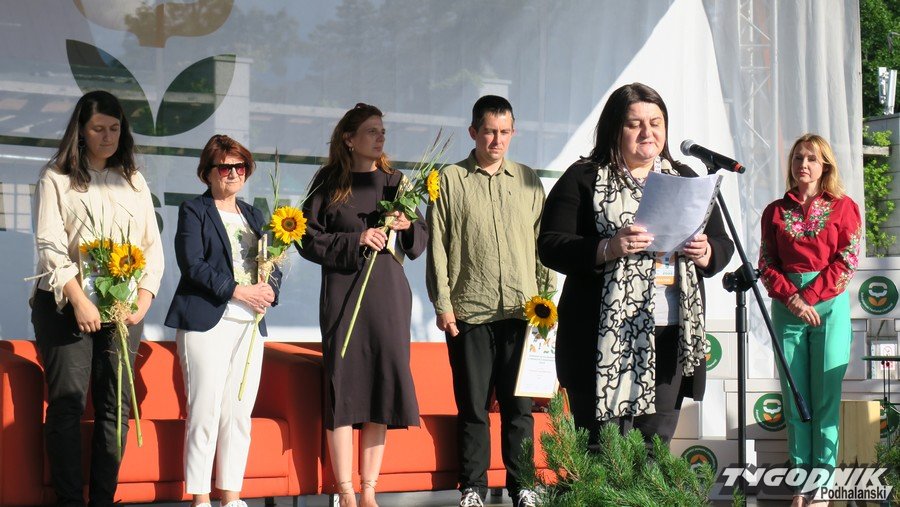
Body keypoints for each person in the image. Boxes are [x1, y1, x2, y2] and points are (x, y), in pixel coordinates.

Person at [537, 82, 734, 448]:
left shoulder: (685, 179)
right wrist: (608, 247)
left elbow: (722, 244)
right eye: (635, 124)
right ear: (615, 128)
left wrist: (705, 251)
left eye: (656, 123)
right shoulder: (584, 178)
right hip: (600, 338)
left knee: (653, 447)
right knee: (602, 451)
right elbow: (551, 245)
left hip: (669, 334)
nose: (648, 132)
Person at [30, 90, 164, 506]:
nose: (107, 137)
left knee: (115, 407)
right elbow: (50, 245)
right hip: (64, 306)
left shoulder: (134, 180)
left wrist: (143, 299)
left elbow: (152, 246)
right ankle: (69, 501)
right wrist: (78, 298)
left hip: (122, 309)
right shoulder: (56, 177)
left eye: (114, 128)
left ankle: (104, 499)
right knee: (68, 406)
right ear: (81, 131)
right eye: (98, 129)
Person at [426, 95, 551, 507]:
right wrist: (443, 303)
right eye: (489, 131)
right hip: (469, 312)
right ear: (473, 132)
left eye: (505, 132)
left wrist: (547, 302)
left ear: (513, 132)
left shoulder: (529, 180)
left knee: (519, 409)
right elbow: (438, 246)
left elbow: (543, 245)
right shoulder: (449, 180)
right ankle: (473, 488)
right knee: (473, 407)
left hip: (522, 312)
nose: (497, 140)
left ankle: (524, 486)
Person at [300, 103, 426, 507]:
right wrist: (355, 240)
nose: (380, 137)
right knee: (343, 388)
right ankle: (345, 491)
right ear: (349, 139)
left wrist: (407, 225)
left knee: (380, 388)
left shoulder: (396, 182)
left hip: (388, 295)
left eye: (382, 130)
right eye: (372, 131)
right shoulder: (328, 182)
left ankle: (369, 488)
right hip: (343, 295)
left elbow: (420, 238)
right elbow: (306, 238)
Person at [165, 134, 281, 507]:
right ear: (208, 172)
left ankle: (231, 497)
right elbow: (193, 264)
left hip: (250, 324)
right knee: (205, 411)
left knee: (239, 413)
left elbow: (272, 261)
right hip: (207, 320)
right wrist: (238, 291)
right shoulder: (194, 210)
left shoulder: (254, 215)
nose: (233, 174)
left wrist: (270, 290)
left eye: (240, 167)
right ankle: (200, 498)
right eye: (225, 167)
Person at [758, 134, 860, 507]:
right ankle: (801, 483)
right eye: (798, 157)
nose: (804, 164)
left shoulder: (844, 207)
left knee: (825, 396)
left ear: (825, 165)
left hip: (829, 304)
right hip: (787, 307)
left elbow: (848, 259)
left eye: (812, 159)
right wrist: (793, 298)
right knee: (795, 397)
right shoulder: (774, 211)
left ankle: (823, 485)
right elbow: (766, 263)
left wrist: (810, 297)